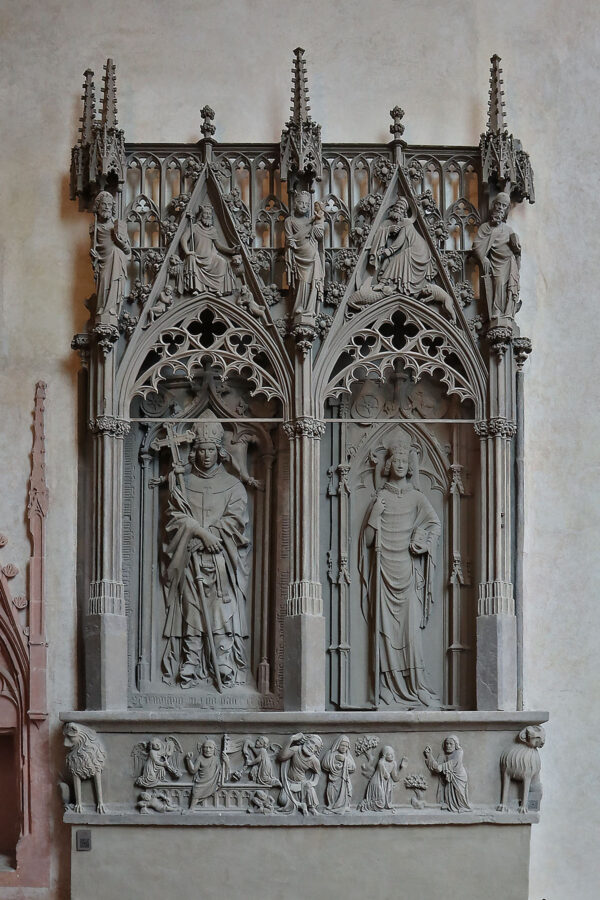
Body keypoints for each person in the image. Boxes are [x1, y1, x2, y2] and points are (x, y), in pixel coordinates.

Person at [161, 411, 250, 689]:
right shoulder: (184, 483)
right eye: (201, 450)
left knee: (222, 607)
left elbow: (235, 520)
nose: (206, 455)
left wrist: (212, 537)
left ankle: (222, 659)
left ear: (219, 452)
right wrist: (198, 533)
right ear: (194, 452)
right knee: (192, 607)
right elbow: (175, 516)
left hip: (221, 560)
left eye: (211, 450)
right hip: (190, 558)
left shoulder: (234, 486)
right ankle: (191, 659)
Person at [359, 432, 441, 707]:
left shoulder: (417, 498)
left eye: (405, 460)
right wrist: (374, 515)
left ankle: (416, 686)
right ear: (389, 465)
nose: (401, 464)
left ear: (410, 466)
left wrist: (422, 541)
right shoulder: (380, 498)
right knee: (384, 632)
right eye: (397, 460)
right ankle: (385, 686)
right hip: (383, 571)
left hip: (407, 572)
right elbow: (367, 541)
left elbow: (434, 525)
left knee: (410, 633)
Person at [472, 191, 521, 318]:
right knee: (499, 283)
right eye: (498, 204)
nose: (500, 208)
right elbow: (477, 245)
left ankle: (508, 312)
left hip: (509, 262)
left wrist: (516, 246)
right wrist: (483, 258)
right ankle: (497, 311)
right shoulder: (485, 227)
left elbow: (516, 249)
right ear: (493, 205)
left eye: (504, 206)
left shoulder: (508, 229)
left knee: (510, 288)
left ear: (506, 210)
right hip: (496, 263)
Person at [90, 190, 131, 319]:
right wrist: (94, 257)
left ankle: (111, 310)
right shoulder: (95, 228)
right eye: (104, 204)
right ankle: (103, 310)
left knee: (115, 284)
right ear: (98, 206)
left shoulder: (118, 226)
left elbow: (128, 251)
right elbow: (94, 249)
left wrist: (120, 242)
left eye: (109, 204)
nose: (107, 207)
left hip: (117, 260)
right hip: (103, 262)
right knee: (103, 283)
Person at [180, 204, 237, 295]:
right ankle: (196, 288)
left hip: (210, 258)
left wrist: (231, 251)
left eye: (210, 214)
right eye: (206, 213)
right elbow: (183, 239)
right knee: (191, 258)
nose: (208, 215)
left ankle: (217, 289)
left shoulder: (213, 230)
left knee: (222, 262)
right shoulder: (194, 227)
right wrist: (187, 251)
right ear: (201, 215)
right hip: (197, 257)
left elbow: (218, 246)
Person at [284, 191, 325, 317]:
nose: (304, 206)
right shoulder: (289, 221)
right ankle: (300, 305)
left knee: (313, 281)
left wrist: (319, 223)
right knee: (302, 281)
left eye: (307, 204)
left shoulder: (312, 220)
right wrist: (291, 243)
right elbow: (289, 239)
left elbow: (319, 236)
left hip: (312, 254)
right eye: (301, 203)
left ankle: (310, 308)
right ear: (294, 204)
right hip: (299, 255)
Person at [277, 733, 322, 815]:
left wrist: (313, 783)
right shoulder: (296, 749)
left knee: (310, 788)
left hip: (302, 784)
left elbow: (317, 774)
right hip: (289, 783)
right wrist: (291, 739)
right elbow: (282, 757)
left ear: (317, 750)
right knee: (282, 801)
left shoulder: (314, 760)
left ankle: (311, 808)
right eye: (312, 742)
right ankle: (300, 805)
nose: (312, 747)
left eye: (316, 747)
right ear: (306, 740)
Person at [424, 735, 471, 812]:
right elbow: (436, 767)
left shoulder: (459, 752)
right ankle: (450, 805)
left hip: (459, 776)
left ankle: (463, 806)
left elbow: (454, 763)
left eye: (451, 744)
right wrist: (429, 755)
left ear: (456, 745)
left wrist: (441, 767)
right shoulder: (442, 755)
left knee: (459, 793)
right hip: (449, 778)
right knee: (449, 793)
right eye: (447, 744)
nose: (448, 746)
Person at [359, 746, 407, 812]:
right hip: (377, 783)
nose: (392, 756)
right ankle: (365, 805)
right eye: (389, 754)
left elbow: (395, 778)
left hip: (385, 785)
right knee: (381, 803)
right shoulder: (381, 763)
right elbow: (386, 776)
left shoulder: (394, 763)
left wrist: (402, 768)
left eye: (393, 754)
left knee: (384, 803)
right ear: (384, 755)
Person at [186, 739, 227, 809]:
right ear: (202, 749)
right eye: (205, 747)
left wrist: (227, 762)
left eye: (210, 748)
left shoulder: (216, 760)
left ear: (214, 749)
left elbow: (222, 771)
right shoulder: (200, 758)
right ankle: (191, 808)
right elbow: (193, 771)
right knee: (195, 793)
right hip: (201, 782)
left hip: (213, 782)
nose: (208, 750)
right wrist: (188, 760)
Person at [321, 735, 356, 814]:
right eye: (342, 745)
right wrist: (334, 765)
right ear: (337, 744)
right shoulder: (330, 753)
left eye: (346, 746)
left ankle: (343, 806)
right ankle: (332, 805)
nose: (344, 748)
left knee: (343, 793)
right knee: (332, 792)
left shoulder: (347, 755)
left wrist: (345, 760)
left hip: (343, 779)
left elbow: (353, 767)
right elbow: (324, 765)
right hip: (333, 779)